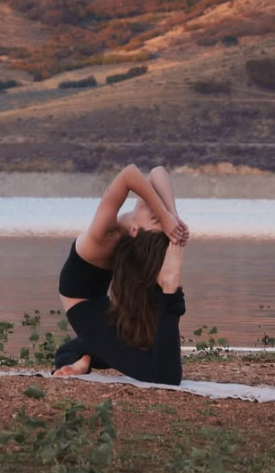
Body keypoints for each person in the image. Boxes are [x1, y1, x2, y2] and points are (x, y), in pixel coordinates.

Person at [53, 163, 188, 385]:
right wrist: (172, 217)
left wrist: (168, 223)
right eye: (158, 217)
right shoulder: (116, 235)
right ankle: (83, 356)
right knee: (76, 348)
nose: (156, 208)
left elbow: (129, 175)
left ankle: (169, 285)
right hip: (85, 309)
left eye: (155, 218)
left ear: (134, 230)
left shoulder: (105, 233)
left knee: (161, 369)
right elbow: (157, 171)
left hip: (93, 305)